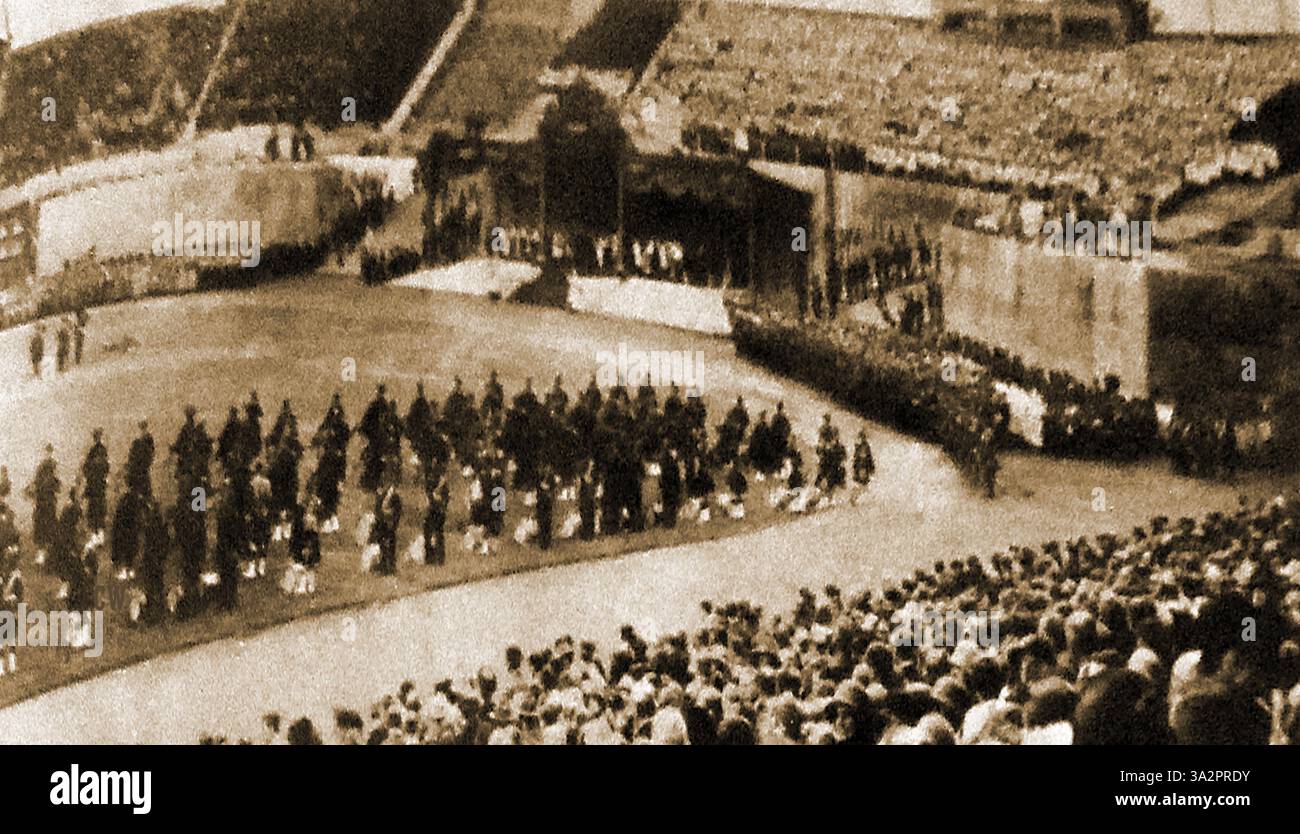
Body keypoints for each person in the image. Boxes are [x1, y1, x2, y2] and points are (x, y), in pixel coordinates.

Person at [82, 429, 110, 535]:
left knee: (98, 506)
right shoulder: (92, 450)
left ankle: (99, 532)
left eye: (98, 436)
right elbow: (85, 467)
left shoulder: (101, 450)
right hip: (94, 483)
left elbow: (106, 466)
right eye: (96, 436)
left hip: (98, 483)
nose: (97, 438)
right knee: (94, 507)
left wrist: (97, 471)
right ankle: (95, 532)